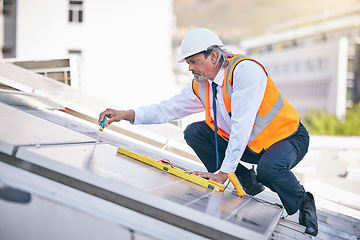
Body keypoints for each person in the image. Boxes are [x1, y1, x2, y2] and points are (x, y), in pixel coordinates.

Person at [98, 28, 318, 236]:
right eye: (188, 63)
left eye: (193, 61)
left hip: (287, 138)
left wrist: (222, 173)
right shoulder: (204, 83)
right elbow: (168, 109)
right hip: (251, 146)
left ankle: (304, 201)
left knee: (269, 170)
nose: (190, 68)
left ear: (213, 56)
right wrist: (125, 114)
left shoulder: (245, 71)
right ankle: (245, 180)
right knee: (195, 132)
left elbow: (241, 126)